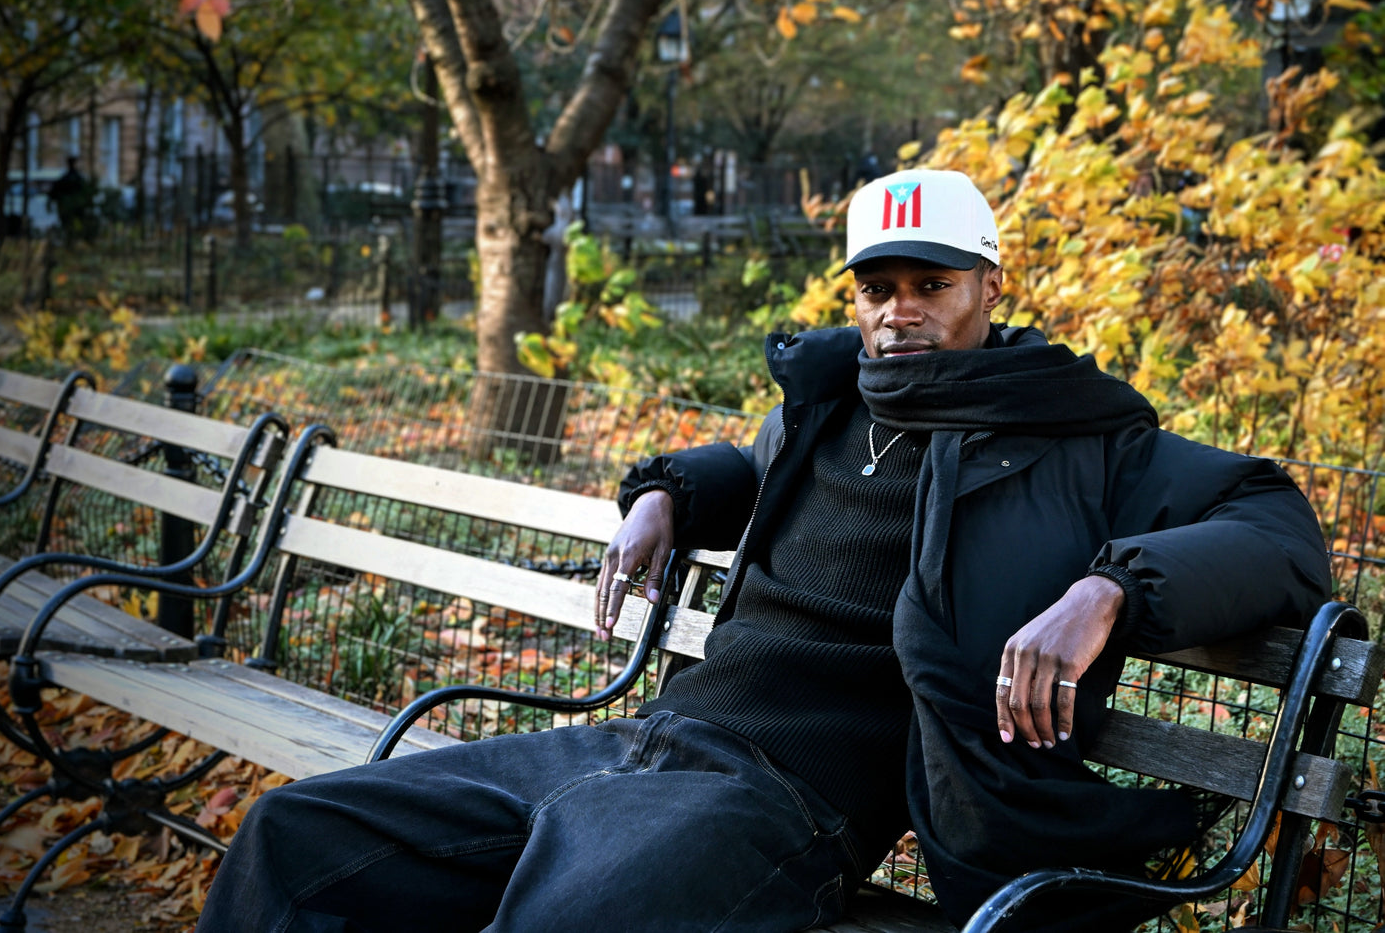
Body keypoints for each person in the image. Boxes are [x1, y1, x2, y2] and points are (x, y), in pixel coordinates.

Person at [194, 168, 1330, 933]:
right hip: (643, 742)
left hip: (785, 802)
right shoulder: (826, 407)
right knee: (295, 836)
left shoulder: (1074, 436)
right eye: (877, 289)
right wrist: (667, 493)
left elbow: (1273, 520)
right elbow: (752, 468)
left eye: (931, 286)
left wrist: (1107, 588)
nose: (899, 312)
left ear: (991, 284)